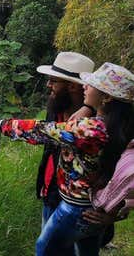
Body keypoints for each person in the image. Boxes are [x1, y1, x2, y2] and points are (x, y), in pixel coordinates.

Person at [0, 62, 134, 256]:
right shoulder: (122, 127)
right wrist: (117, 212)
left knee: (44, 249)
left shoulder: (90, 130)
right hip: (95, 208)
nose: (85, 86)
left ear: (106, 98)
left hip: (75, 209)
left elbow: (40, 130)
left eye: (91, 85)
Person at [34, 52, 95, 245]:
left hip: (83, 207)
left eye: (53, 81)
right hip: (51, 194)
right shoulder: (55, 108)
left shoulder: (95, 125)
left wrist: (114, 211)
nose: (48, 85)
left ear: (72, 86)